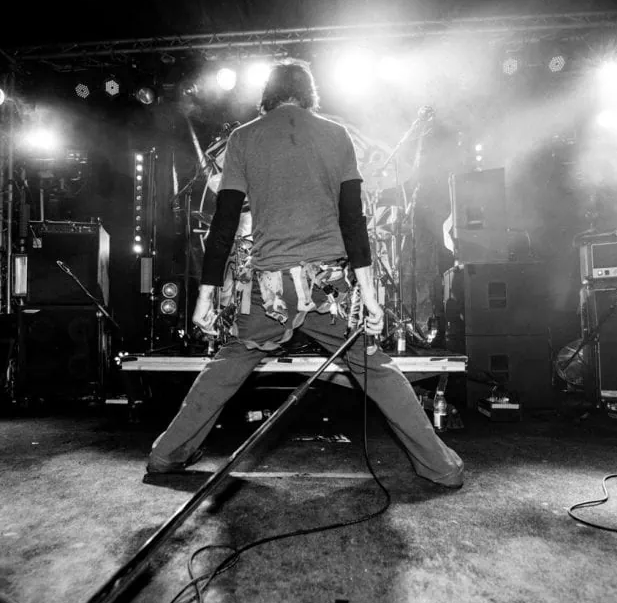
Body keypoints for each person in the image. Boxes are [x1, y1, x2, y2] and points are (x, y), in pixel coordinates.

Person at [146, 60, 464, 489]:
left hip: (270, 290)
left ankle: (166, 455)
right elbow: (354, 221)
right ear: (309, 95)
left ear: (268, 97)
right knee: (376, 370)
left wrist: (205, 297)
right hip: (328, 288)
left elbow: (223, 225)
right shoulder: (336, 135)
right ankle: (440, 467)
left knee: (227, 366)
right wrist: (370, 296)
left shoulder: (244, 138)